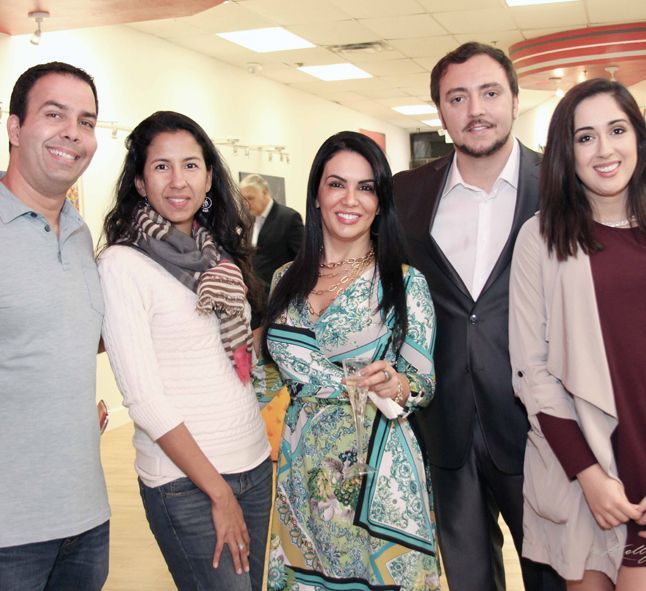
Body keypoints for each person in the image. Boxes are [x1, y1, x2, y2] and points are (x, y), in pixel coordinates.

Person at [393, 42, 564, 591]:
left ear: (515, 99)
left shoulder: (561, 184)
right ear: (440, 113)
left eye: (489, 93)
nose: (475, 110)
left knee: (555, 577)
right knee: (468, 580)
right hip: (443, 425)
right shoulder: (406, 192)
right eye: (457, 98)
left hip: (539, 428)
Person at [98, 111, 272, 591]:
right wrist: (218, 492)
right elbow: (144, 400)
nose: (178, 181)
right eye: (162, 167)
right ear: (139, 181)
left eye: (191, 165)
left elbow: (231, 356)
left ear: (209, 177)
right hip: (187, 484)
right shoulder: (122, 265)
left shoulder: (217, 254)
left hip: (254, 464)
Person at [259, 131, 440, 590]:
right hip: (302, 470)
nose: (350, 199)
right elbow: (268, 375)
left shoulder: (404, 283)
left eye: (366, 187)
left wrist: (397, 385)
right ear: (317, 193)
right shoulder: (285, 279)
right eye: (337, 184)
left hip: (377, 470)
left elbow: (423, 382)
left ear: (380, 203)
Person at [509, 78, 646, 591]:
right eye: (585, 137)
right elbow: (531, 370)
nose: (604, 149)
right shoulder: (541, 237)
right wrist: (589, 475)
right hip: (584, 472)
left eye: (617, 130)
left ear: (638, 137)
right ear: (567, 152)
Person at [0, 62, 110, 590]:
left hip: (85, 520)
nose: (73, 132)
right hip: (9, 532)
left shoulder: (80, 233)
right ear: (15, 127)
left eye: (86, 121)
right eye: (54, 114)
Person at [239, 173, 303, 328]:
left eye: (250, 198)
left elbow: (302, 259)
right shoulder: (248, 220)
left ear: (265, 193)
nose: (247, 204)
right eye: (243, 200)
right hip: (254, 300)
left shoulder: (288, 218)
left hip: (278, 300)